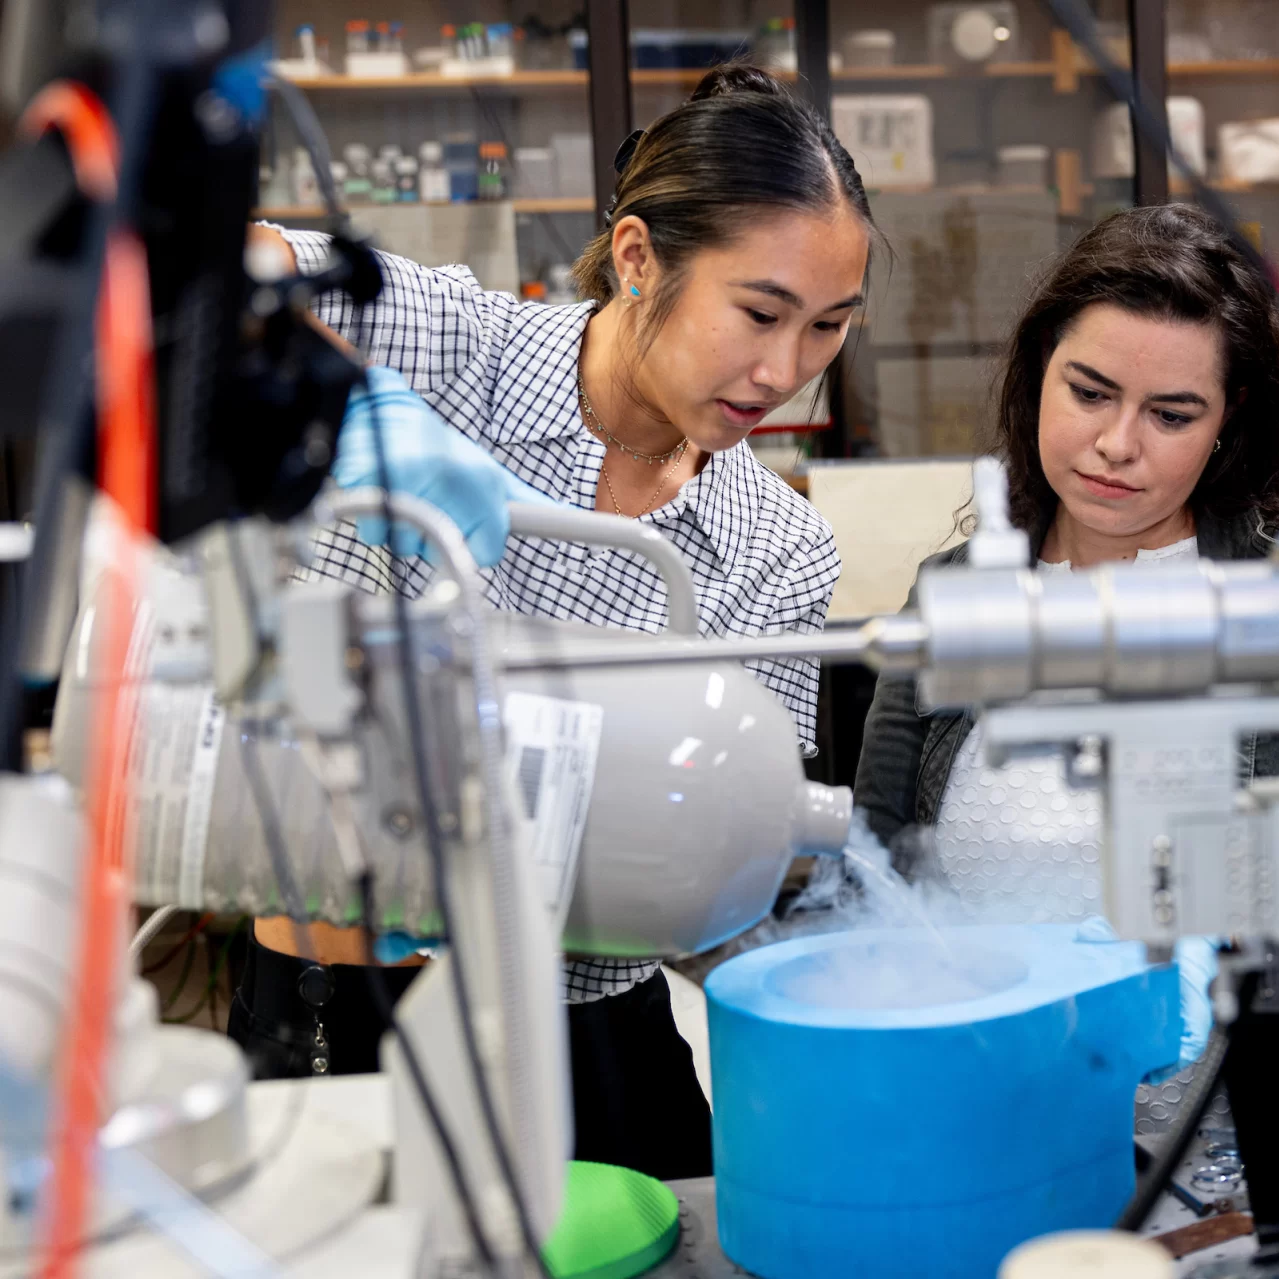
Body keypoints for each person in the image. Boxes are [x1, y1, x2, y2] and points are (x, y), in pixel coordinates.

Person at [229, 63, 875, 1180]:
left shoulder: (777, 543)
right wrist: (358, 407)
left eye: (828, 326)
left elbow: (719, 864)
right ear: (637, 258)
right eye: (759, 313)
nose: (785, 371)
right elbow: (199, 269)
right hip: (346, 1001)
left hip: (592, 1036)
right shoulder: (447, 346)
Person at [856, 202, 1279, 922]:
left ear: (1226, 420)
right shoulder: (954, 594)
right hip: (979, 1021)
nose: (1117, 443)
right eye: (1089, 393)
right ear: (1041, 366)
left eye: (1170, 415)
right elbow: (873, 861)